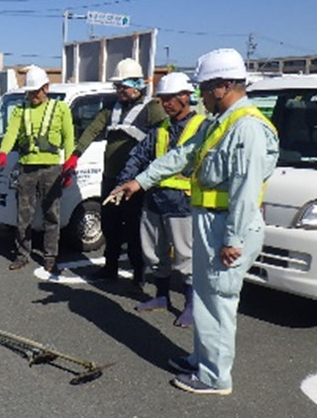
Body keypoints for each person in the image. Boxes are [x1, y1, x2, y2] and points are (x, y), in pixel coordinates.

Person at [110, 48, 279, 395]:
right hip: (209, 223)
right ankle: (201, 358)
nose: (199, 95)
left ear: (223, 85)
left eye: (203, 88)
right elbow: (182, 155)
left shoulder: (247, 128)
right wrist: (139, 181)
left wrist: (233, 239)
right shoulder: (221, 123)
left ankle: (215, 377)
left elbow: (246, 191)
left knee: (218, 301)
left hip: (227, 227)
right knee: (204, 297)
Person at [63, 58, 166, 286]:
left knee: (134, 229)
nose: (118, 90)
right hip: (109, 178)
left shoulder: (152, 109)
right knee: (109, 225)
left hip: (136, 182)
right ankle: (110, 268)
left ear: (137, 84)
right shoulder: (110, 108)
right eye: (117, 86)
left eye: (122, 86)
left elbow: (166, 136)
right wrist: (75, 155)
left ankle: (138, 275)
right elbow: (92, 130)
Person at [114, 72, 205, 327]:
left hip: (183, 202)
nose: (165, 104)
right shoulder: (160, 129)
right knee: (154, 254)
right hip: (153, 200)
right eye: (162, 99)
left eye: (169, 99)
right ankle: (161, 297)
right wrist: (123, 181)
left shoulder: (201, 127)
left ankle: (190, 305)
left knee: (186, 258)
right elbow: (138, 155)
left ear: (186, 97)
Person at [0, 66, 74, 274]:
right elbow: (11, 134)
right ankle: (22, 254)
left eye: (36, 91)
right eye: (29, 92)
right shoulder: (21, 110)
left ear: (46, 88)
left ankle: (50, 257)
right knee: (23, 214)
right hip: (27, 167)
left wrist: (70, 165)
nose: (32, 95)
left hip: (52, 168)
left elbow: (69, 137)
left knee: (52, 215)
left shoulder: (61, 108)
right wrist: (3, 152)